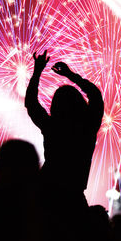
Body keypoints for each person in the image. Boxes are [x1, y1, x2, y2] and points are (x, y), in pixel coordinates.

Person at [25, 50, 104, 192]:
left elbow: (31, 103)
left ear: (55, 106)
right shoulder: (88, 126)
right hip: (74, 196)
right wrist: (70, 75)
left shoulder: (52, 126)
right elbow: (95, 95)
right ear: (80, 104)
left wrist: (37, 72)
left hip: (46, 192)